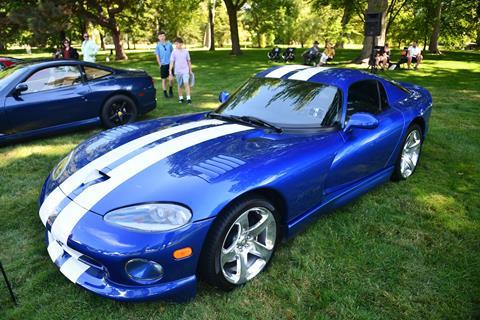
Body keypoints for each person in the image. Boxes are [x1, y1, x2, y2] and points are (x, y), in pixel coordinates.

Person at [169, 37, 193, 104]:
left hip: (185, 70)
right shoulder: (174, 52)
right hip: (178, 71)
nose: (176, 45)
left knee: (186, 83)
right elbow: (171, 62)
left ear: (181, 44)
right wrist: (170, 71)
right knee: (180, 85)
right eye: (175, 44)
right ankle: (181, 98)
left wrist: (190, 70)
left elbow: (189, 61)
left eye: (177, 44)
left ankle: (188, 98)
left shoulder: (186, 51)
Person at [154, 31, 174, 98]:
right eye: (160, 36)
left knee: (171, 79)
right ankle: (165, 92)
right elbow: (157, 56)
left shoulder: (169, 44)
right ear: (158, 37)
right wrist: (160, 64)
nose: (162, 37)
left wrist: (173, 63)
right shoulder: (158, 46)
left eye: (163, 36)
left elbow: (172, 54)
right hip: (163, 65)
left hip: (170, 64)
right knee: (164, 79)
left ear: (165, 36)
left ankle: (170, 90)